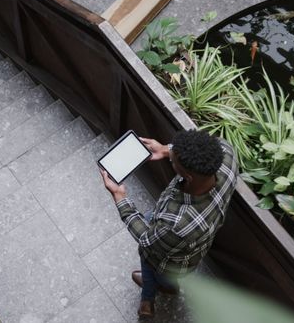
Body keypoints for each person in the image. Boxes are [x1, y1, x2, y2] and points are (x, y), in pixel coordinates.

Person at [100, 129, 238, 318]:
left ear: (188, 177)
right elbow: (217, 143)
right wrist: (166, 150)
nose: (170, 161)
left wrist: (120, 197)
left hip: (167, 255)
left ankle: (147, 300)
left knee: (149, 261)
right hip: (190, 255)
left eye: (173, 162)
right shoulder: (227, 158)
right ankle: (170, 289)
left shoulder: (176, 225)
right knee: (169, 278)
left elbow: (147, 240)